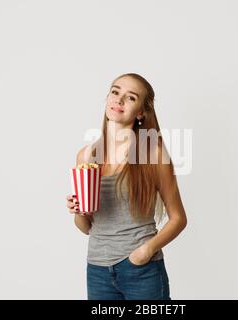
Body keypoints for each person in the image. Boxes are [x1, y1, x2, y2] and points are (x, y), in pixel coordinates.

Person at [66, 73, 187, 300]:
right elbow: (86, 227)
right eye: (115, 91)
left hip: (141, 270)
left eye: (130, 97)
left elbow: (179, 218)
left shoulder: (153, 154)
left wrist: (145, 252)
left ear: (141, 112)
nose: (119, 100)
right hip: (97, 270)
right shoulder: (86, 155)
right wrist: (78, 211)